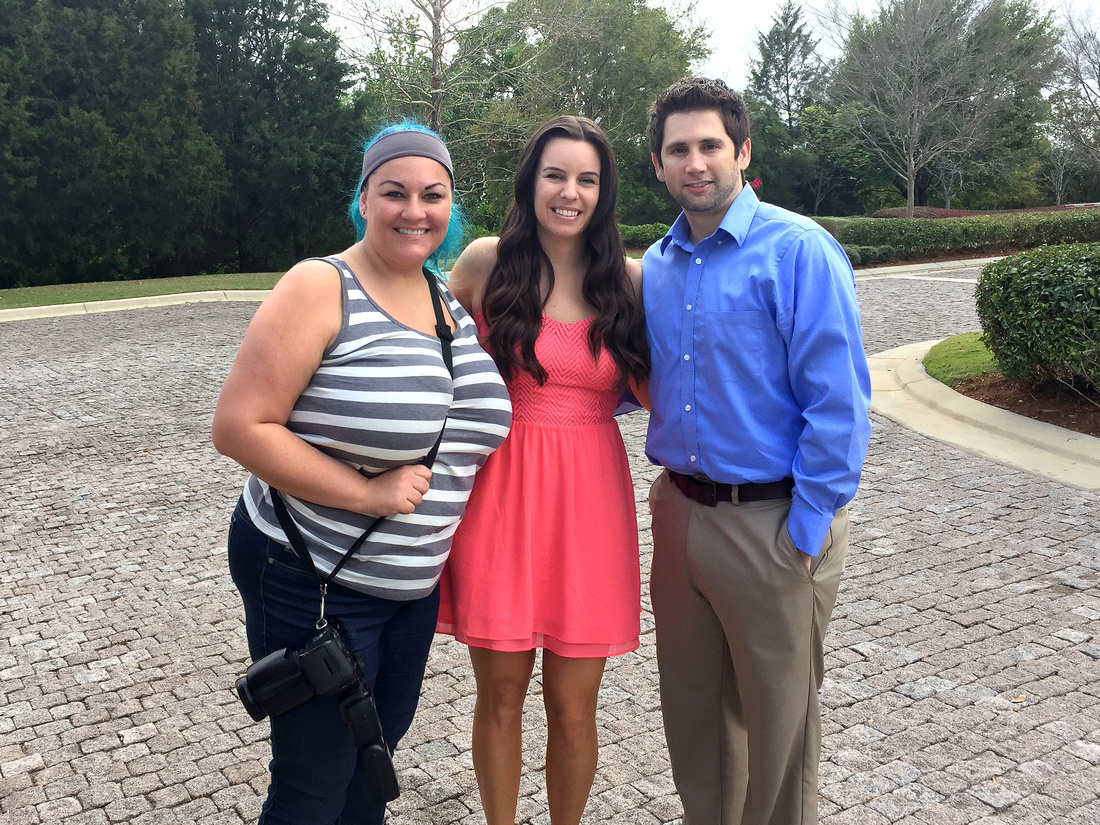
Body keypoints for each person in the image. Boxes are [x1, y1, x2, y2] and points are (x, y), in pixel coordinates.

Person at [211, 123, 512, 825]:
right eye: (395, 192)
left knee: (369, 774)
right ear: (364, 199)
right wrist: (367, 491)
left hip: (410, 592)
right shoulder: (321, 285)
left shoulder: (443, 297)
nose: (415, 210)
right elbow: (238, 426)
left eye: (433, 195)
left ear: (451, 206)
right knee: (315, 783)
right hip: (311, 575)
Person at [641, 77, 872, 825]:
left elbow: (838, 404)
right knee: (695, 717)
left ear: (742, 151)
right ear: (658, 164)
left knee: (778, 731)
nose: (695, 161)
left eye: (710, 144)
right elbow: (639, 378)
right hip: (680, 518)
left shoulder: (798, 250)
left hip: (772, 525)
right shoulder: (660, 265)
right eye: (679, 149)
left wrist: (807, 527)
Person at [435, 115, 649, 825]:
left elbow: (681, 378)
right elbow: (417, 343)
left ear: (604, 192)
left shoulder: (629, 281)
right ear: (531, 182)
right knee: (498, 696)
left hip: (591, 505)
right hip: (499, 496)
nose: (570, 191)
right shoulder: (485, 264)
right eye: (556, 174)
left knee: (574, 705)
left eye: (587, 179)